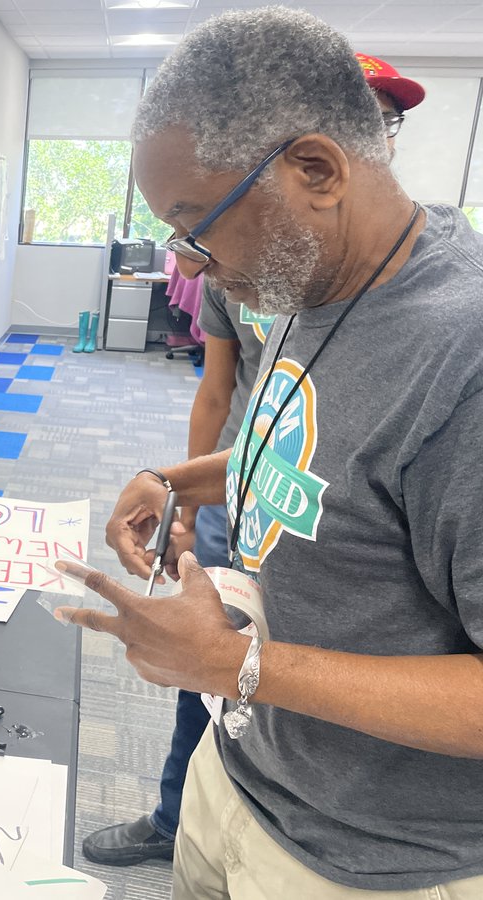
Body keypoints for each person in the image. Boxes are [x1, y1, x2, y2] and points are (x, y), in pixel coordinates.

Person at [57, 8, 483, 898]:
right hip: (246, 772)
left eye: (194, 226)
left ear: (317, 170)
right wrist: (173, 480)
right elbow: (321, 461)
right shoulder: (317, 282)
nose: (193, 266)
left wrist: (236, 665)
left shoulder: (462, 361)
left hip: (369, 860)